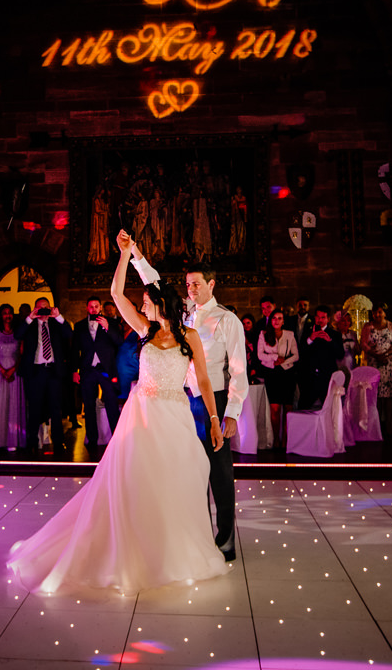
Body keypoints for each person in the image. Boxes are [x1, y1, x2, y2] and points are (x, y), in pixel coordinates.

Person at [6, 232, 228, 593]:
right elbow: (114, 294)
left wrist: (215, 420)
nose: (141, 308)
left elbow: (203, 381)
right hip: (142, 418)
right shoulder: (144, 330)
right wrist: (125, 255)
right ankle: (134, 552)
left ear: (159, 303)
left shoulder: (190, 337)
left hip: (176, 418)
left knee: (176, 485)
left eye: (146, 303)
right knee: (135, 485)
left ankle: (172, 552)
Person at [131, 237, 245, 562]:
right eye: (187, 284)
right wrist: (136, 254)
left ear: (211, 283)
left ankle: (225, 541)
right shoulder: (184, 315)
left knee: (220, 474)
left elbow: (239, 370)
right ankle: (196, 538)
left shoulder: (227, 320)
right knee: (189, 471)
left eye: (196, 283)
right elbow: (154, 283)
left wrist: (231, 413)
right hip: (184, 403)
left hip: (216, 401)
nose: (191, 288)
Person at [15, 296, 72, 455]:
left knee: (56, 408)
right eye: (40, 308)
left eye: (46, 307)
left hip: (54, 370)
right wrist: (30, 317)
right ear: (35, 309)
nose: (43, 310)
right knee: (34, 408)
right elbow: (17, 335)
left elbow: (68, 333)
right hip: (35, 371)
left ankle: (59, 443)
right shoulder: (30, 324)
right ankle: (32, 442)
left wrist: (58, 316)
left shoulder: (55, 324)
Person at [72, 295, 124, 451]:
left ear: (100, 307)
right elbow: (74, 350)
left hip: (106, 369)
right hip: (88, 370)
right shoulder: (80, 325)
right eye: (91, 306)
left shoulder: (112, 323)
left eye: (96, 306)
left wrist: (108, 327)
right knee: (88, 406)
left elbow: (119, 342)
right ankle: (92, 439)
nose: (94, 309)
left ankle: (116, 437)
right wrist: (75, 370)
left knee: (111, 404)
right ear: (87, 308)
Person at [0, 303, 25, 452]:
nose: (7, 316)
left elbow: (22, 354)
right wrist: (3, 370)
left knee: (13, 405)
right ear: (0, 316)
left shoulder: (18, 333)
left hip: (14, 373)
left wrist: (13, 369)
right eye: (4, 313)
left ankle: (12, 440)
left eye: (10, 313)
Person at [258, 310, 299, 448]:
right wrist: (274, 358)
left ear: (283, 321)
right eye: (274, 318)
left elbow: (296, 355)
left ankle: (285, 440)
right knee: (275, 409)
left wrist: (283, 361)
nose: (276, 320)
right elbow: (260, 355)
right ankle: (276, 439)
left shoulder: (290, 334)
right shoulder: (263, 334)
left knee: (288, 407)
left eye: (279, 318)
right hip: (272, 374)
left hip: (287, 373)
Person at [360, 303, 392, 426]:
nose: (377, 314)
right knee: (375, 395)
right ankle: (376, 425)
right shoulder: (367, 326)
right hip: (374, 363)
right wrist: (376, 355)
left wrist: (386, 355)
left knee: (389, 395)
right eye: (374, 312)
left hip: (389, 364)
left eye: (379, 312)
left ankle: (389, 424)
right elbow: (363, 344)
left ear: (384, 312)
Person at [299, 306, 342, 410]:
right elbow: (301, 351)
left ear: (328, 319)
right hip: (309, 377)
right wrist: (310, 339)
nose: (320, 320)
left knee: (329, 409)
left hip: (327, 377)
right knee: (303, 407)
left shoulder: (335, 334)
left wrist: (329, 341)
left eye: (323, 317)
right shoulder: (307, 332)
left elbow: (340, 354)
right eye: (318, 317)